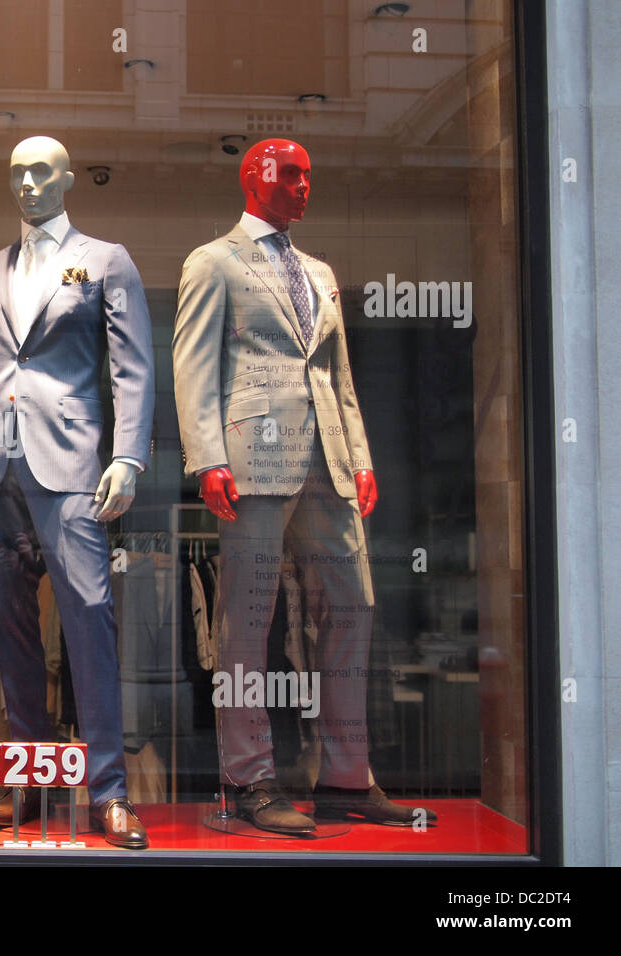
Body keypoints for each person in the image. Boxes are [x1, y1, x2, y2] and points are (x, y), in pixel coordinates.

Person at [172, 138, 437, 834]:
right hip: (253, 456)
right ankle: (250, 779)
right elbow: (193, 364)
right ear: (252, 178)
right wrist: (206, 459)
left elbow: (337, 372)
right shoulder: (213, 261)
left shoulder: (319, 271)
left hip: (328, 458)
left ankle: (347, 774)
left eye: (309, 176)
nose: (302, 186)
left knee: (353, 607)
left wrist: (361, 456)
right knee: (246, 622)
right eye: (289, 174)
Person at [0, 135, 155, 848]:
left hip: (67, 461)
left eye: (41, 171)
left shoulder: (105, 260)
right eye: (17, 174)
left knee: (89, 616)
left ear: (68, 178)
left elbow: (131, 367)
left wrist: (127, 454)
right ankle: (28, 779)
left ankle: (108, 790)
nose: (28, 184)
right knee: (9, 629)